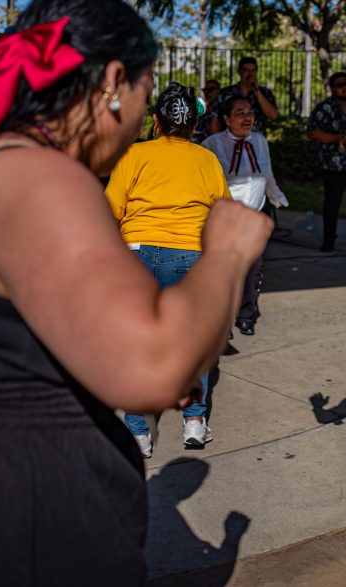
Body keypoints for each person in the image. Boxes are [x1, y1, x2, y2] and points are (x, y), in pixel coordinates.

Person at [0, 0, 272, 584]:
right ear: (113, 81)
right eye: (143, 96)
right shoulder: (38, 176)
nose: (132, 134)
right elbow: (154, 366)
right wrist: (228, 253)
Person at [106, 81, 234, 454]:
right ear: (193, 126)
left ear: (157, 123)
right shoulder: (206, 159)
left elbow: (109, 210)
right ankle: (194, 422)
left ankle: (137, 431)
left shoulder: (134, 154)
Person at [202, 95, 288, 336]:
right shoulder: (211, 145)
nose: (247, 117)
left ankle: (246, 315)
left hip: (255, 214)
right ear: (227, 119)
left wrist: (276, 197)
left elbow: (266, 171)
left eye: (249, 112)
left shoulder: (260, 141)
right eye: (239, 113)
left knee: (253, 268)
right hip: (226, 217)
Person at [307, 72, 346, 252]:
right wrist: (336, 138)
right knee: (331, 205)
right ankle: (329, 241)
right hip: (333, 166)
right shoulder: (324, 108)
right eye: (340, 85)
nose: (344, 88)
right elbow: (311, 132)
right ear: (332, 88)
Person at [217, 56, 278, 135]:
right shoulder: (226, 93)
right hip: (230, 142)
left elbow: (273, 115)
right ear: (239, 72)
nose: (250, 74)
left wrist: (256, 92)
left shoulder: (265, 92)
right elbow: (216, 120)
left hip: (256, 142)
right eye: (246, 70)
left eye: (253, 71)